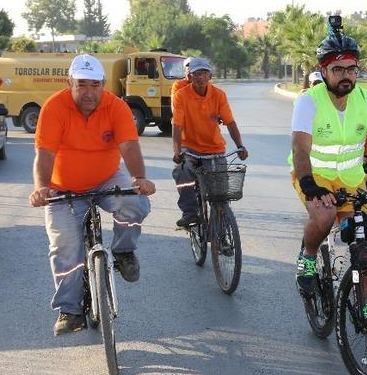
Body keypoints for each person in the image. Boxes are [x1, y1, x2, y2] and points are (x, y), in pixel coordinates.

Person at [29, 54, 156, 336]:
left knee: (135, 202)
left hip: (106, 178)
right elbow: (45, 154)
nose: (89, 93)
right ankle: (70, 310)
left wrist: (139, 178)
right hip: (63, 186)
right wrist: (41, 187)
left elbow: (130, 147)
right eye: (82, 85)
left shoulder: (117, 107)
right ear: (70, 83)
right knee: (63, 246)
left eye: (95, 85)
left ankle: (123, 251)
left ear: (103, 84)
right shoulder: (54, 108)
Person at [290, 17, 367, 295]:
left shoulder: (366, 100)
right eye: (338, 69)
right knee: (324, 219)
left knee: (365, 246)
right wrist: (309, 183)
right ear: (323, 71)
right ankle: (308, 257)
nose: (346, 75)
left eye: (352, 68)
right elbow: (300, 149)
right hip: (315, 175)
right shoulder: (308, 101)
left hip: (352, 179)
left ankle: (366, 309)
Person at [172, 57, 248, 227]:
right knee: (183, 172)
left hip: (214, 149)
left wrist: (240, 145)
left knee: (220, 191)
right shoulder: (180, 95)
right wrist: (177, 151)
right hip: (190, 148)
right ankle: (190, 213)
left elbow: (230, 122)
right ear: (189, 77)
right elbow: (176, 126)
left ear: (210, 75)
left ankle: (222, 227)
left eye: (204, 73)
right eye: (196, 73)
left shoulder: (219, 95)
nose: (200, 77)